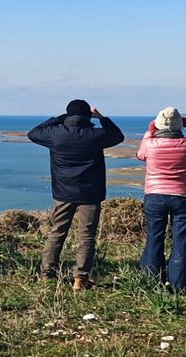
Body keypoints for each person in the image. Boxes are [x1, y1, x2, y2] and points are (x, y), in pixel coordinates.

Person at [27, 100, 124, 289]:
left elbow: (33, 133)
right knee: (86, 236)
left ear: (68, 115)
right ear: (88, 115)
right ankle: (80, 278)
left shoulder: (56, 135)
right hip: (90, 193)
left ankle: (47, 274)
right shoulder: (95, 135)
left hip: (62, 193)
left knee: (57, 232)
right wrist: (102, 118)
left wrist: (60, 119)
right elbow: (118, 136)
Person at [137, 107, 186, 294]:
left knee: (154, 238)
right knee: (182, 240)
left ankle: (152, 281)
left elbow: (140, 155)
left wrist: (150, 130)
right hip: (183, 196)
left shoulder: (150, 144)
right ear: (180, 125)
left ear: (158, 125)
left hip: (154, 195)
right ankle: (181, 285)